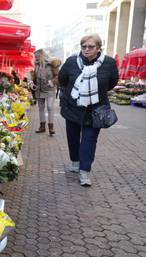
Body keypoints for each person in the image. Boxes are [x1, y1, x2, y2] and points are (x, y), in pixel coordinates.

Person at [58, 34, 119, 186]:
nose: (86, 49)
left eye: (90, 46)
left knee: (89, 140)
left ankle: (84, 171)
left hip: (96, 110)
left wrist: (94, 93)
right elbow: (62, 79)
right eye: (84, 46)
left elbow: (112, 82)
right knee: (72, 137)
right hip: (73, 106)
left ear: (98, 48)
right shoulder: (72, 62)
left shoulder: (109, 63)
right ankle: (75, 162)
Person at [33, 49, 57, 135]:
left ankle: (51, 127)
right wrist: (32, 82)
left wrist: (52, 82)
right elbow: (34, 77)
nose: (36, 58)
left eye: (37, 56)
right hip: (39, 90)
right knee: (41, 108)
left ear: (42, 56)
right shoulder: (36, 66)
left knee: (50, 107)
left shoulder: (51, 65)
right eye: (35, 57)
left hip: (50, 90)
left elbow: (58, 76)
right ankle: (42, 126)